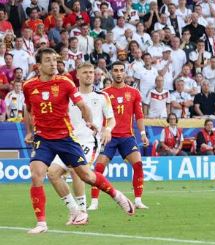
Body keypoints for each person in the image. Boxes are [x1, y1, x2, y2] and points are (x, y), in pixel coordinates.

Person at [22, 48, 133, 234]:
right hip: (43, 138)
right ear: (38, 65)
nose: (53, 63)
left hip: (66, 138)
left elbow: (81, 104)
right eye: (48, 60)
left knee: (86, 176)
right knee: (37, 175)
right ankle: (43, 222)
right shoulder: (28, 86)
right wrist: (29, 131)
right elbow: (28, 108)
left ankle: (117, 195)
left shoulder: (65, 83)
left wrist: (89, 121)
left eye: (55, 60)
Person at [47, 62, 116, 225]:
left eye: (91, 72)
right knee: (52, 173)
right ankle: (74, 210)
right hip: (69, 140)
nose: (89, 75)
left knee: (75, 169)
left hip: (89, 141)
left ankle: (82, 212)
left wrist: (108, 129)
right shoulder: (69, 95)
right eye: (85, 72)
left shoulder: (102, 96)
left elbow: (111, 119)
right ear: (77, 75)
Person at [90, 62, 149, 210]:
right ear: (111, 73)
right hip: (109, 136)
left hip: (127, 136)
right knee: (99, 168)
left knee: (138, 164)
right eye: (115, 70)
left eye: (121, 71)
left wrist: (142, 134)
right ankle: (94, 201)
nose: (118, 73)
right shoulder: (104, 94)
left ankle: (138, 200)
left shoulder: (134, 93)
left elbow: (139, 115)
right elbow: (97, 115)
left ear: (125, 73)